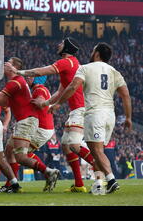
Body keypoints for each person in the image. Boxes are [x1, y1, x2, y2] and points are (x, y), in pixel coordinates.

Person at [7, 37, 96, 193]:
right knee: (66, 146)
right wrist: (48, 103)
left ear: (67, 48)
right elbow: (60, 91)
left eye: (61, 43)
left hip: (81, 109)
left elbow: (42, 71)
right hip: (77, 109)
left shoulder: (66, 62)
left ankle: (102, 169)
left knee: (73, 145)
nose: (58, 44)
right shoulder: (71, 65)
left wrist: (19, 72)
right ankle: (79, 184)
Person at [49, 42, 133, 194]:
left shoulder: (85, 68)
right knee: (97, 152)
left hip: (95, 114)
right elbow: (125, 94)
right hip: (110, 116)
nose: (92, 52)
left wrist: (58, 104)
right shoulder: (114, 71)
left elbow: (73, 87)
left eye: (93, 50)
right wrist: (128, 117)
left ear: (97, 54)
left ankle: (111, 180)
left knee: (97, 151)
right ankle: (99, 183)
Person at [0, 57, 60, 192]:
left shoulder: (37, 89)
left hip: (40, 127)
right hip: (35, 124)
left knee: (20, 155)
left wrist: (42, 103)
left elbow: (41, 100)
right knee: (10, 151)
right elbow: (6, 102)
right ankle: (11, 184)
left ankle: (47, 172)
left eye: (31, 76)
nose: (28, 77)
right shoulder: (29, 87)